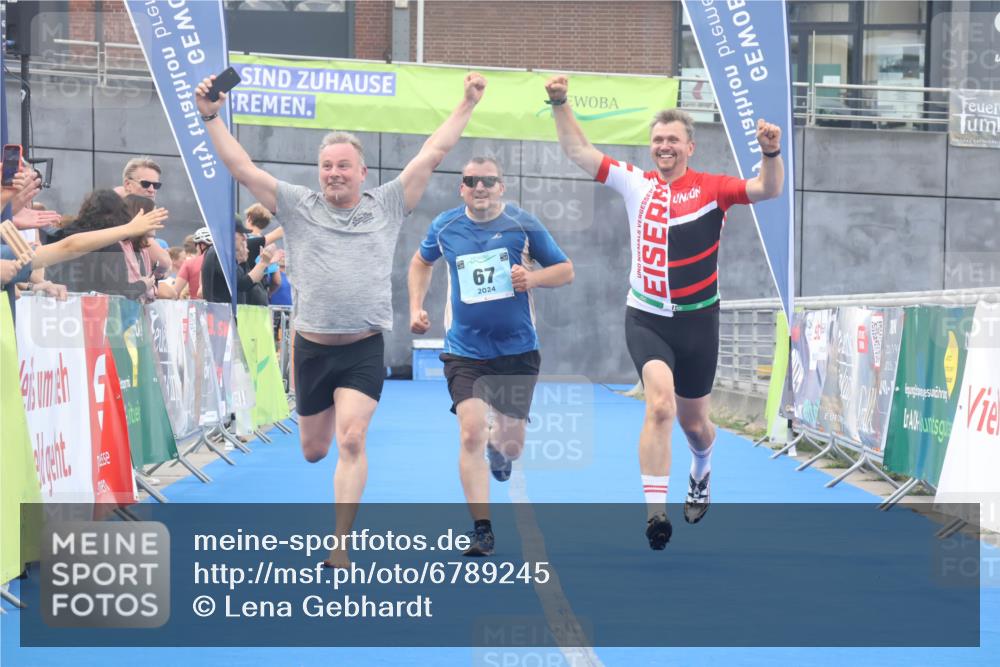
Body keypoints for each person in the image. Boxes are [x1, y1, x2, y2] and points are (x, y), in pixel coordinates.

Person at [195, 69, 487, 567]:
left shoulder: (390, 202)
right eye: (326, 166)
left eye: (343, 166)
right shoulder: (297, 204)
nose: (333, 173)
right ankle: (329, 490)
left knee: (352, 437)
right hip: (310, 347)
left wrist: (467, 103)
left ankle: (340, 545)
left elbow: (432, 153)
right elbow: (241, 167)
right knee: (314, 449)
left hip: (362, 347)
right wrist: (211, 117)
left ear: (362, 172)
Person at [544, 75, 784, 549]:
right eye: (657, 140)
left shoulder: (714, 188)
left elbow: (767, 189)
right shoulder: (637, 183)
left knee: (695, 425)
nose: (664, 147)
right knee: (659, 406)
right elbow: (579, 151)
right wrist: (559, 102)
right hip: (647, 317)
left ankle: (701, 469)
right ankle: (656, 514)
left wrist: (771, 153)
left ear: (690, 147)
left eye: (673, 140)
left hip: (699, 321)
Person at [408, 157, 573, 556]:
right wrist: (416, 308)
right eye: (471, 181)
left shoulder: (523, 225)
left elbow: (565, 270)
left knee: (511, 445)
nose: (479, 187)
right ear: (461, 188)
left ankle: (501, 452)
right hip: (465, 352)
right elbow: (420, 262)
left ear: (501, 187)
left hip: (517, 351)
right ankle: (482, 528)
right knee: (470, 432)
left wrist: (531, 278)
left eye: (488, 181)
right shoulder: (445, 227)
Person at [199, 221, 277, 306]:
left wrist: (256, 264)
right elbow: (243, 284)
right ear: (229, 234)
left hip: (224, 313)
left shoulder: (221, 253)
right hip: (222, 314)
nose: (244, 238)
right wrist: (263, 263)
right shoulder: (220, 253)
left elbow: (248, 284)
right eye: (241, 234)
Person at [175, 227, 212, 299]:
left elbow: (175, 291)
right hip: (220, 308)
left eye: (196, 245)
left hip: (196, 308)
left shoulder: (189, 263)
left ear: (201, 245)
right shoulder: (224, 263)